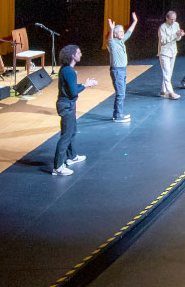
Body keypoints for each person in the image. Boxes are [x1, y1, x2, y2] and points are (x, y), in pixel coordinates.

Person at [52, 44, 97, 176]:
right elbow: (72, 92)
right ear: (73, 55)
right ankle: (58, 166)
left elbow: (70, 87)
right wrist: (85, 85)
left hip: (67, 104)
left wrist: (84, 84)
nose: (80, 54)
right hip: (66, 105)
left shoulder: (66, 69)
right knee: (66, 135)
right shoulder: (69, 71)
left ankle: (72, 156)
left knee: (72, 132)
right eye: (78, 52)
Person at [107, 11, 138, 122]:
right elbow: (110, 39)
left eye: (122, 31)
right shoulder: (113, 43)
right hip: (117, 71)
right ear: (115, 34)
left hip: (122, 70)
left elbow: (129, 32)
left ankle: (117, 114)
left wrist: (135, 21)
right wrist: (111, 29)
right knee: (120, 94)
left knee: (122, 93)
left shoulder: (121, 41)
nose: (122, 33)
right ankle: (118, 116)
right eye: (119, 32)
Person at [158, 11, 185, 99]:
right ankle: (170, 92)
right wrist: (174, 35)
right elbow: (163, 41)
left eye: (174, 19)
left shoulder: (176, 24)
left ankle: (163, 90)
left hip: (173, 51)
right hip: (164, 52)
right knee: (166, 72)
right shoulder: (162, 27)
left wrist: (180, 34)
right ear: (167, 18)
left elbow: (178, 39)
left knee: (169, 73)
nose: (173, 21)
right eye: (171, 20)